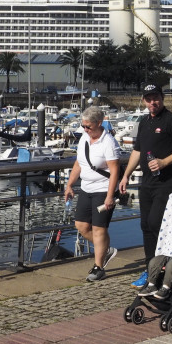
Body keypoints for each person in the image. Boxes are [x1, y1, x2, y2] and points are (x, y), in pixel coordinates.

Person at [120, 84, 172, 288]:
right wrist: (126, 175)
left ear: (162, 98)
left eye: (156, 98)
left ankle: (168, 266)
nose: (153, 102)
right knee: (145, 226)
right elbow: (137, 151)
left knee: (156, 223)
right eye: (149, 99)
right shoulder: (144, 122)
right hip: (147, 183)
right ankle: (150, 270)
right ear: (144, 101)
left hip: (168, 182)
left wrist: (164, 162)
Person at [64, 106, 120, 282]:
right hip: (86, 189)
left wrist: (110, 196)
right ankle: (105, 249)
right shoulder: (84, 140)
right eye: (83, 126)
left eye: (88, 127)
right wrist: (70, 185)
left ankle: (99, 267)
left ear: (99, 123)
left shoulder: (108, 142)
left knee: (98, 228)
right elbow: (79, 164)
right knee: (81, 226)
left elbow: (114, 171)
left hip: (103, 190)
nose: (85, 130)